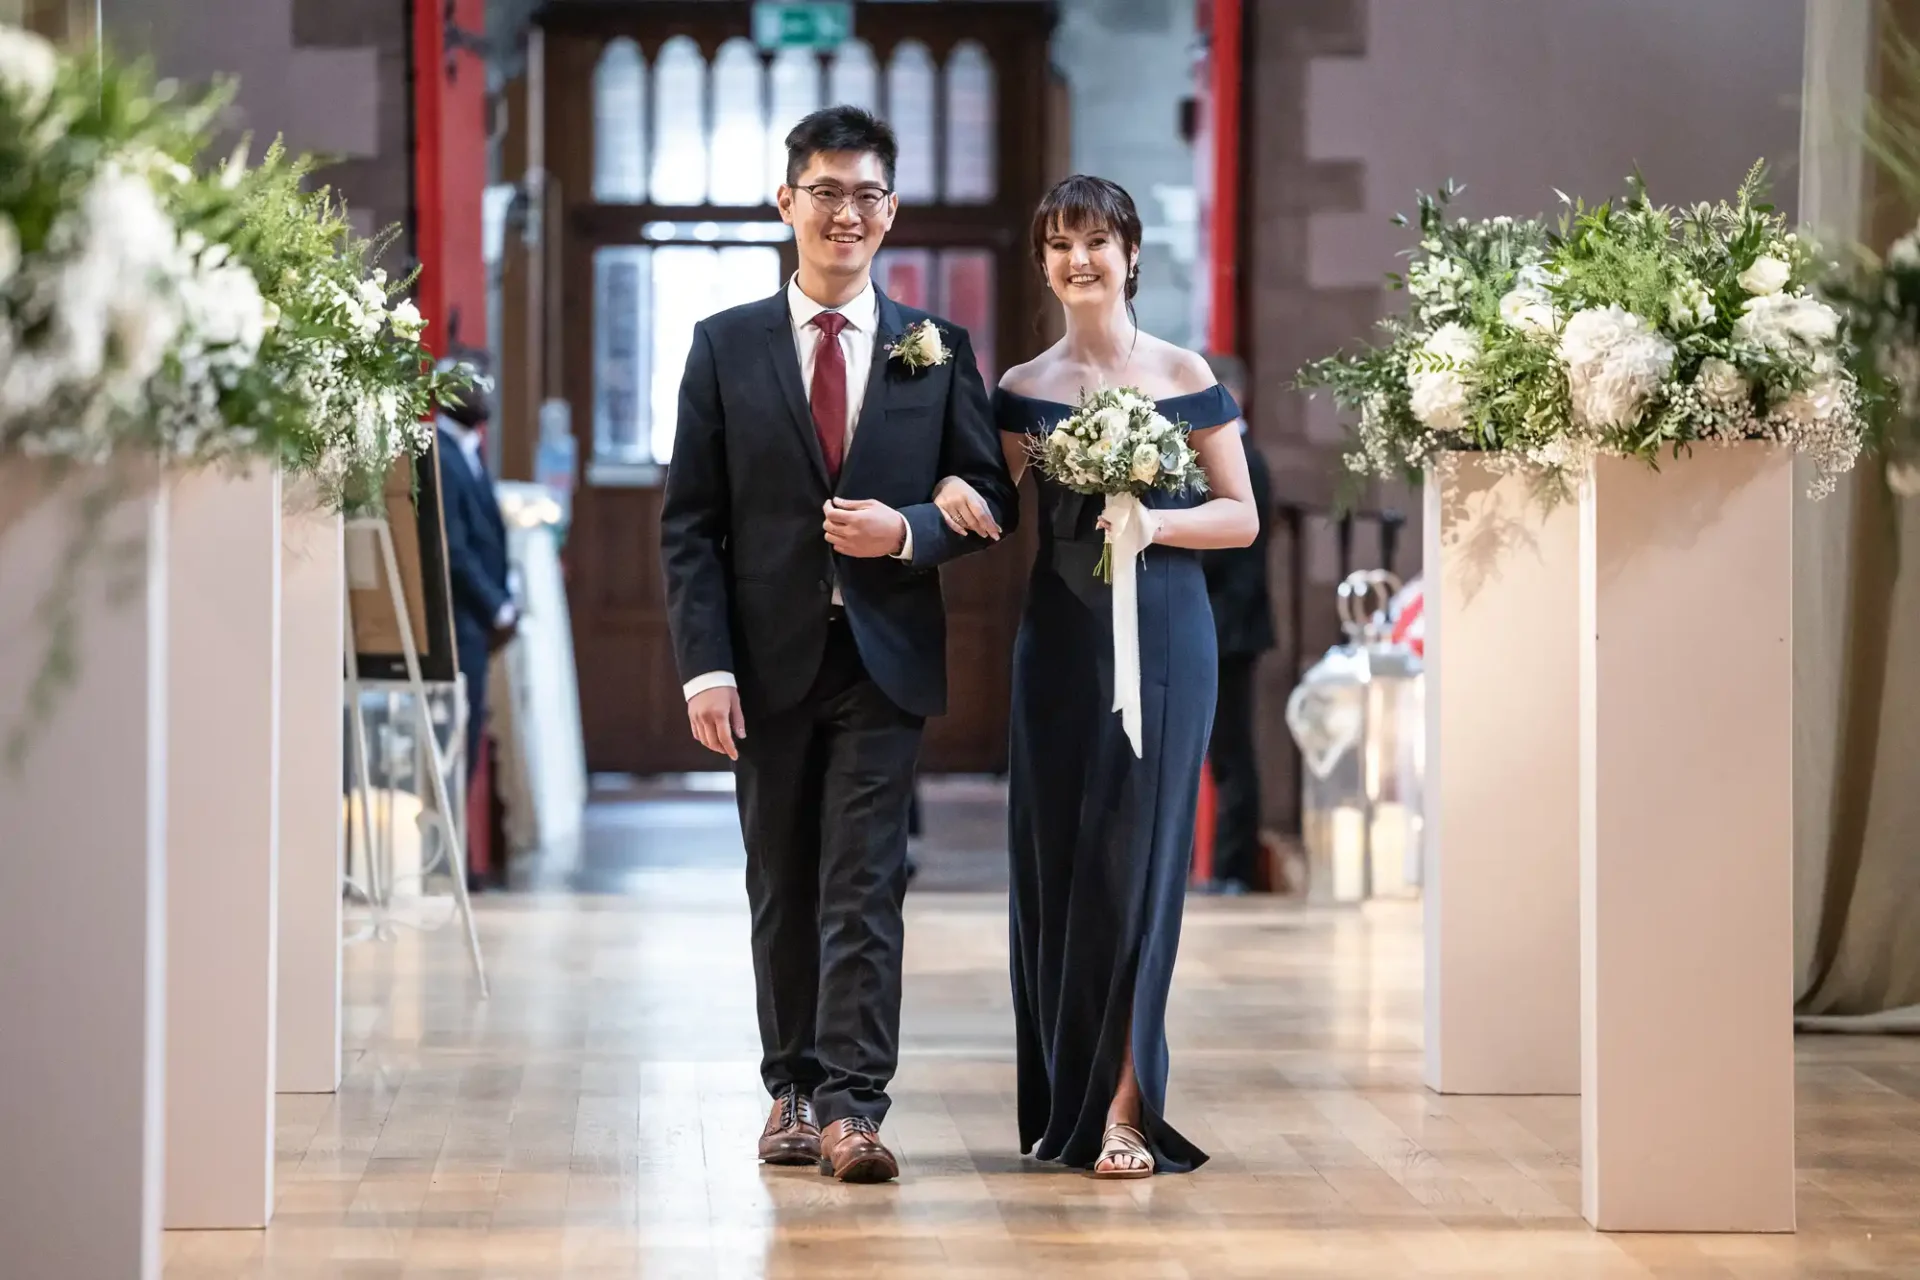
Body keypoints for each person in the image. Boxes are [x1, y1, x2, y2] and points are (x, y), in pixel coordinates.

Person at [659, 105, 1017, 1184]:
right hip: (762, 666)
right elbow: (691, 522)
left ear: (891, 210)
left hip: (883, 657)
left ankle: (858, 1105)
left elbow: (985, 490)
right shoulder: (723, 346)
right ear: (787, 203)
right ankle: (793, 1090)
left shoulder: (937, 348)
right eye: (826, 191)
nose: (845, 212)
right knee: (782, 878)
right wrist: (704, 663)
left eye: (866, 194)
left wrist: (907, 529)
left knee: (864, 881)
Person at [932, 176, 1258, 1177]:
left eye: (1098, 241)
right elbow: (993, 493)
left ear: (1132, 255)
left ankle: (1127, 1108)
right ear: (1042, 264)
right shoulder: (1024, 387)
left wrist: (1156, 519)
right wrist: (950, 485)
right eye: (1061, 243)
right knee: (1058, 863)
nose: (1081, 259)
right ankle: (1067, 1098)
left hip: (1166, 636)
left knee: (1140, 864)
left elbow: (1241, 514)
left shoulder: (1180, 369)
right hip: (1061, 645)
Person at [1198, 354, 1274, 894]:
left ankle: (1235, 868)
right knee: (1218, 754)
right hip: (1220, 624)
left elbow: (1236, 550)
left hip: (1232, 630)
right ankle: (1223, 865)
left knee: (1232, 753)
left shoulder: (1246, 458)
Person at [435, 372, 517, 795]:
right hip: (458, 619)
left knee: (469, 736)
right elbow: (453, 545)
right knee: (455, 736)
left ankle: (459, 852)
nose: (482, 393)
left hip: (477, 622)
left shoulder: (471, 450)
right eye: (470, 384)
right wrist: (495, 604)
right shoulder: (440, 453)